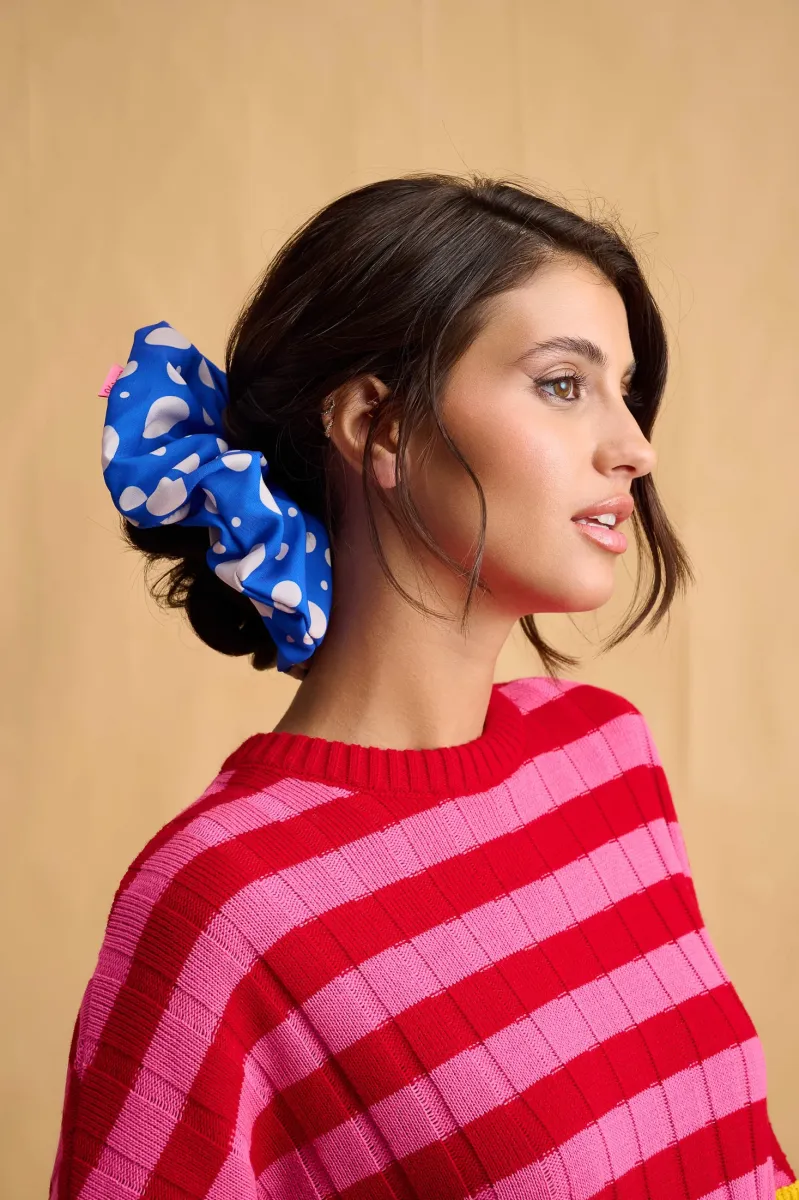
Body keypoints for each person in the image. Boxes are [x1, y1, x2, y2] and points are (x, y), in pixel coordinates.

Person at [49, 174, 796, 1199]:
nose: (634, 447)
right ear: (380, 426)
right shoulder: (221, 906)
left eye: (624, 390)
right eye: (563, 384)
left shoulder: (606, 753)